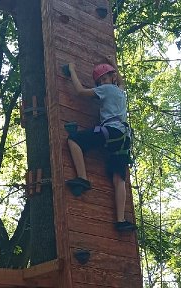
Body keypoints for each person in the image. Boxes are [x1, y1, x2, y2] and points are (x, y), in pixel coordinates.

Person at [65, 55, 137, 232]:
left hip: (111, 131)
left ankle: (82, 178)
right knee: (118, 177)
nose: (102, 82)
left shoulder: (107, 89)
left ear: (111, 78)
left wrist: (72, 70)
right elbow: (122, 82)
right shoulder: (120, 91)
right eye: (100, 80)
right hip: (123, 139)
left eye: (104, 78)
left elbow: (81, 92)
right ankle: (120, 221)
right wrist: (114, 66)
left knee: (74, 140)